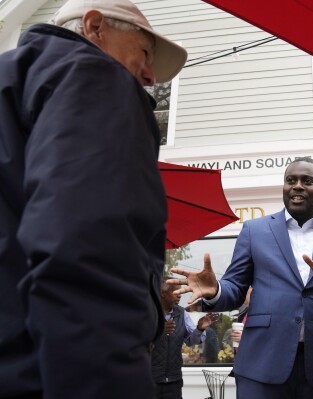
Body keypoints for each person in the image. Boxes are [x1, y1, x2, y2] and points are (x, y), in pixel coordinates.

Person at [0, 0, 187, 397]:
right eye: (145, 52)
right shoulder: (95, 75)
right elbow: (85, 255)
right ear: (95, 26)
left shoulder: (13, 85)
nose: (151, 76)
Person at [168, 157, 313, 399]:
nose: (297, 186)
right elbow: (235, 288)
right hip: (261, 362)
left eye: (307, 181)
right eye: (290, 180)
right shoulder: (255, 231)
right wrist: (217, 290)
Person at [153, 277, 218, 399]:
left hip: (174, 382)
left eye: (181, 292)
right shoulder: (148, 313)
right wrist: (159, 331)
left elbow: (190, 341)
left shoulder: (182, 313)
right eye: (176, 292)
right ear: (162, 293)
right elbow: (136, 343)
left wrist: (199, 329)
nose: (179, 296)